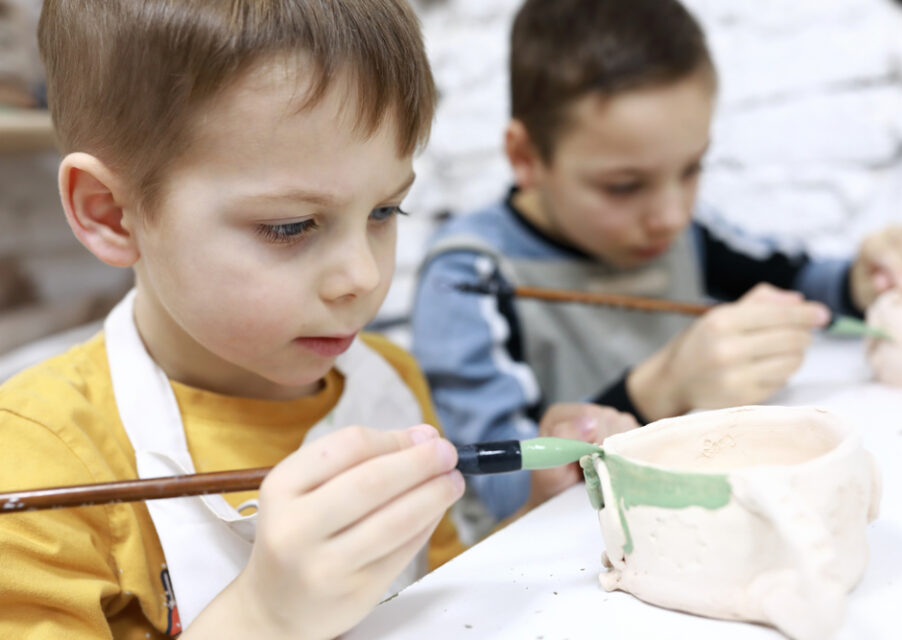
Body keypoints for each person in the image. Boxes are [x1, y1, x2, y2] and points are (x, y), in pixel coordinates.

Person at [0, 1, 637, 637]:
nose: (362, 276)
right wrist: (260, 617)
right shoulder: (37, 464)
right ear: (111, 213)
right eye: (290, 225)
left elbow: (437, 608)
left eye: (386, 212)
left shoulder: (388, 384)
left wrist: (535, 519)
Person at [412, 0, 902, 525]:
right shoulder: (469, 281)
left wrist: (865, 279)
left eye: (692, 169)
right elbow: (497, 491)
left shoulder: (684, 233)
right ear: (526, 158)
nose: (671, 216)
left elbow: (804, 282)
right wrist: (657, 390)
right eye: (624, 186)